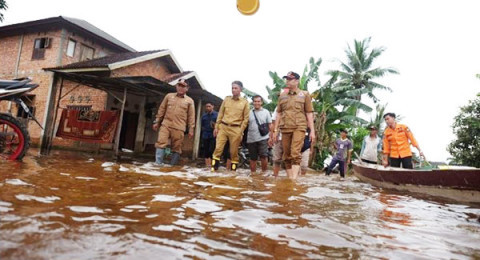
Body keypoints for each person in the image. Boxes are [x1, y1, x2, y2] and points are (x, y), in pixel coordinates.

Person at [272, 71, 315, 180]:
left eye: (290, 79)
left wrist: (312, 131)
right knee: (286, 155)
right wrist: (275, 130)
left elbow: (309, 113)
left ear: (296, 81)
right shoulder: (282, 96)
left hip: (299, 127)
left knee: (295, 153)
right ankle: (290, 178)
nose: (287, 81)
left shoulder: (304, 95)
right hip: (285, 127)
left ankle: (294, 180)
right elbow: (279, 113)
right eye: (286, 79)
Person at [153, 79, 195, 165]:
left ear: (187, 88)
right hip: (166, 125)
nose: (180, 87)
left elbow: (191, 116)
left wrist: (191, 129)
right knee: (161, 142)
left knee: (176, 148)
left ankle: (172, 167)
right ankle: (158, 164)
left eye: (183, 86)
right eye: (179, 85)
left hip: (179, 127)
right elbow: (162, 109)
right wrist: (157, 121)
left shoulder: (189, 101)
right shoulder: (168, 96)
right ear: (176, 86)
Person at [211, 81, 250, 171]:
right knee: (218, 148)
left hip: (236, 128)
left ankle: (233, 173)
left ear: (240, 90)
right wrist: (217, 127)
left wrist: (241, 131)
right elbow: (220, 113)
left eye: (236, 88)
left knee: (233, 152)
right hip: (223, 127)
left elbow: (246, 119)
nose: (233, 90)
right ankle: (213, 170)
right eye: (232, 88)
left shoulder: (244, 102)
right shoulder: (226, 99)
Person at [246, 95, 272, 174]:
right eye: (255, 101)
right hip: (251, 138)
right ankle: (253, 175)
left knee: (264, 156)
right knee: (252, 158)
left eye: (258, 101)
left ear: (261, 102)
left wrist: (271, 137)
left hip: (263, 138)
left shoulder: (266, 112)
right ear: (253, 102)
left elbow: (270, 125)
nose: (257, 103)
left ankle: (264, 173)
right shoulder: (248, 113)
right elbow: (245, 124)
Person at [201, 102, 218, 167]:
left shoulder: (217, 115)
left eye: (209, 106)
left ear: (213, 106)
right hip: (205, 134)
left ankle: (212, 165)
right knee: (206, 150)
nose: (208, 108)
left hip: (213, 135)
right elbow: (202, 125)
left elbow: (219, 125)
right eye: (207, 106)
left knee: (212, 150)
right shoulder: (204, 116)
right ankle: (207, 165)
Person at [270, 109, 283, 177]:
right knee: (276, 159)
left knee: (291, 159)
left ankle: (292, 179)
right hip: (278, 136)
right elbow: (273, 122)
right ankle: (275, 176)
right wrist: (271, 136)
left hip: (292, 137)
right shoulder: (278, 107)